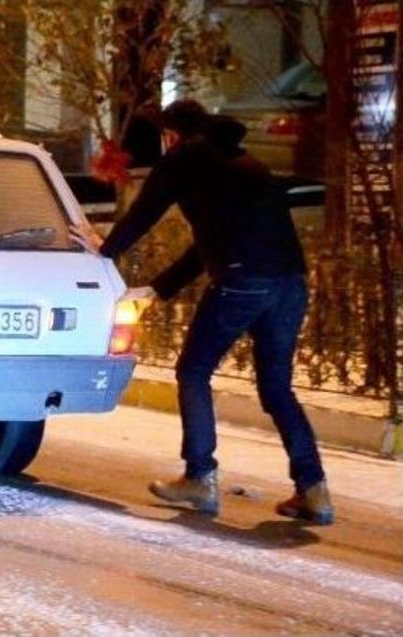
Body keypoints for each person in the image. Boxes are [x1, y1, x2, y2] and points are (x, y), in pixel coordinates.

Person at [78, 100, 332, 525]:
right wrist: (158, 289)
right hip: (289, 283)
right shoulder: (240, 161)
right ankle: (314, 490)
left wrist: (103, 251)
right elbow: (211, 242)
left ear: (170, 136)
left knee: (193, 371)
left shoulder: (185, 157)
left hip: (242, 281)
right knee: (277, 388)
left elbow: (145, 212)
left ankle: (199, 476)